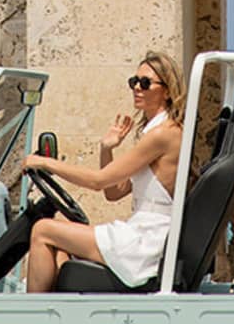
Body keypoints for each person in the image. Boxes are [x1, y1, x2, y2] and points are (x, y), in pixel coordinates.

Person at [22, 52, 186, 293]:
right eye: (134, 82)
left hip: (147, 241)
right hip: (142, 233)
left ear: (168, 90)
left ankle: (30, 319)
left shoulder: (163, 134)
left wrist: (45, 163)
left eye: (145, 83)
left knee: (42, 230)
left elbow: (98, 182)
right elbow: (114, 192)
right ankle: (54, 323)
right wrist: (106, 148)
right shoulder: (158, 132)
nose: (137, 89)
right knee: (58, 250)